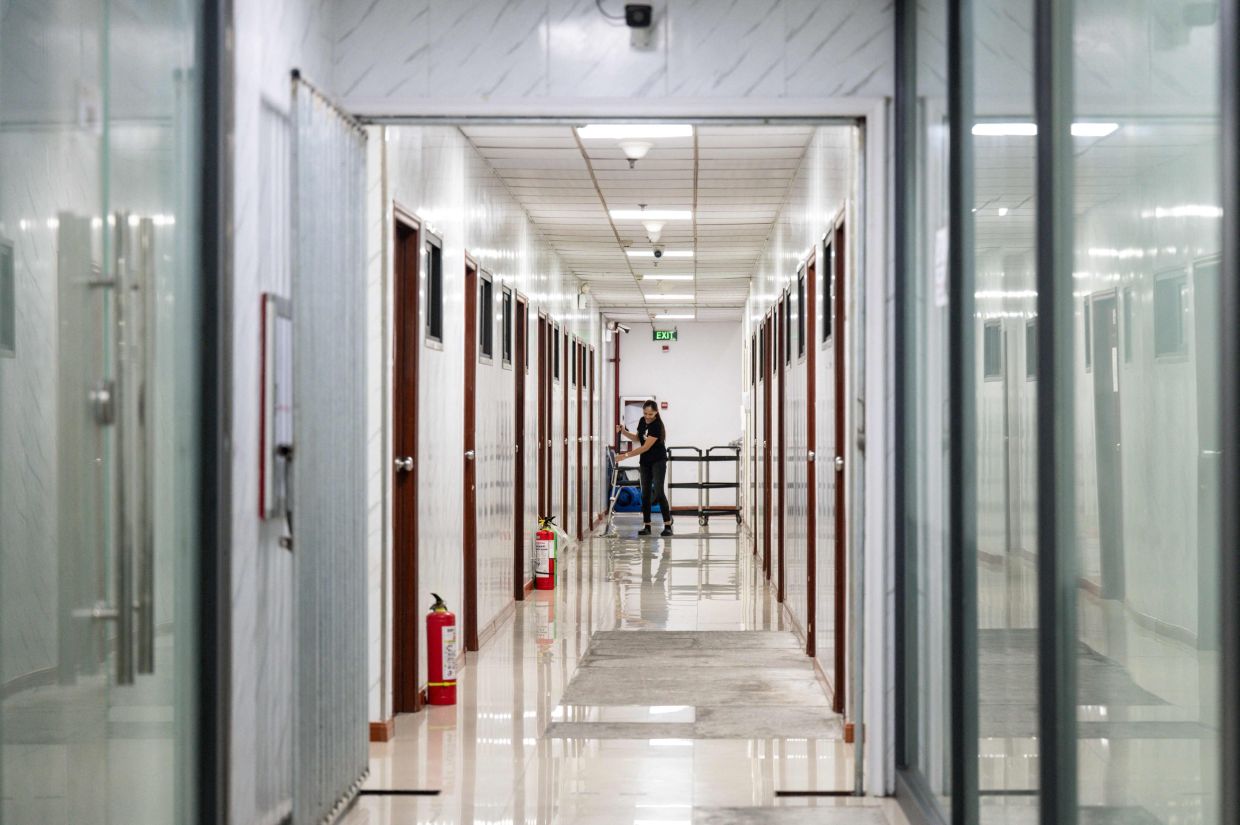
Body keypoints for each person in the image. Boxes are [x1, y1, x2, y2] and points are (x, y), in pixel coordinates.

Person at [616, 400, 673, 536]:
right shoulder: (642, 421)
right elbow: (637, 438)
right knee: (645, 494)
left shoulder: (656, 425)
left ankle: (667, 525)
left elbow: (645, 447)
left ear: (656, 412)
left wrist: (625, 455)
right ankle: (647, 526)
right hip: (645, 462)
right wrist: (624, 431)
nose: (647, 416)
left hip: (658, 461)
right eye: (645, 413)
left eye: (650, 414)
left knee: (658, 492)